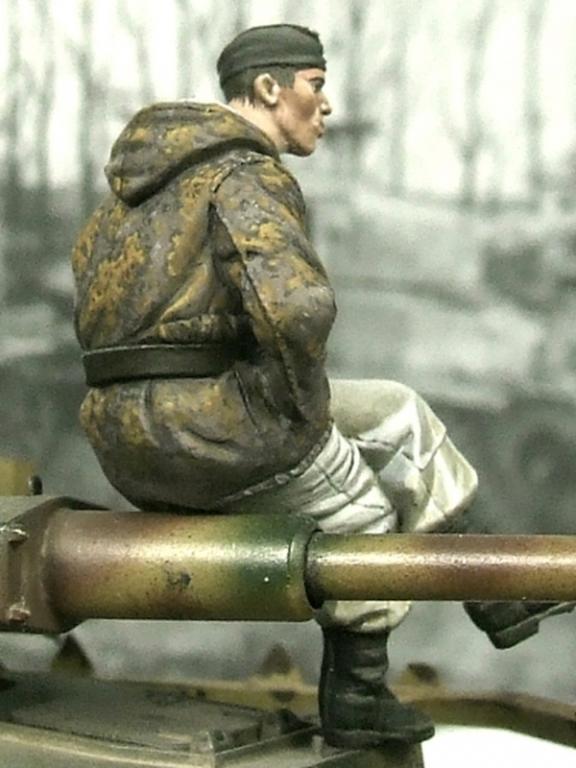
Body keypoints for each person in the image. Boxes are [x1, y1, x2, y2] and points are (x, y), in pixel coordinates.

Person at [72, 23, 566, 750]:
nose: (326, 105)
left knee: (399, 412)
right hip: (209, 430)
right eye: (316, 85)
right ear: (269, 89)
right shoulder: (246, 175)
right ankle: (358, 694)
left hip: (127, 435)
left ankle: (501, 593)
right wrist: (302, 422)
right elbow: (297, 309)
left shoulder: (127, 199)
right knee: (364, 515)